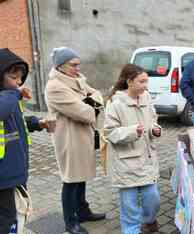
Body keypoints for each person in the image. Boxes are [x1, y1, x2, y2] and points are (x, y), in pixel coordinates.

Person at [45, 47, 105, 234]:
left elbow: (98, 96)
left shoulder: (77, 79)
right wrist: (90, 103)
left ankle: (83, 211)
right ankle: (70, 221)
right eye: (73, 65)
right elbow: (85, 113)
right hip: (68, 138)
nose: (78, 68)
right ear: (60, 66)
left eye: (78, 64)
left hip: (82, 135)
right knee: (71, 179)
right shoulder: (55, 86)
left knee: (81, 176)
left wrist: (90, 102)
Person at [104, 64, 161, 234]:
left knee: (153, 199)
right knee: (129, 206)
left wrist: (154, 130)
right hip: (126, 163)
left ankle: (149, 221)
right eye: (141, 81)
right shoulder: (115, 103)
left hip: (147, 160)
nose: (146, 85)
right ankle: (131, 230)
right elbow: (109, 132)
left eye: (146, 81)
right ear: (129, 82)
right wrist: (132, 131)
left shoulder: (146, 97)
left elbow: (153, 119)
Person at [0, 48, 49, 234]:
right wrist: (16, 93)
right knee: (7, 222)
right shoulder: (8, 98)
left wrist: (38, 122)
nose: (19, 82)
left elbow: (14, 125)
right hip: (3, 177)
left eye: (21, 77)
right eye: (14, 77)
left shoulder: (9, 97)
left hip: (13, 172)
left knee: (16, 216)